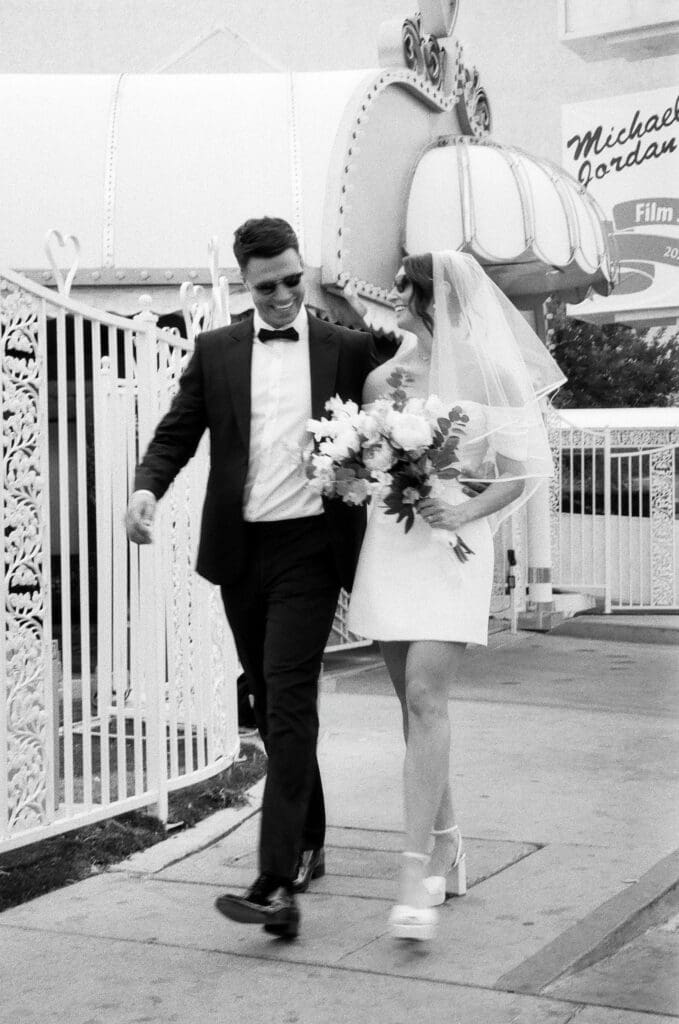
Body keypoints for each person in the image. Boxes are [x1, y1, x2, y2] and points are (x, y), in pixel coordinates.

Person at [126, 217, 382, 939]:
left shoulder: (348, 347)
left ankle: (274, 881)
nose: (280, 297)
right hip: (241, 553)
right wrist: (147, 487)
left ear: (304, 271)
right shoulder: (215, 351)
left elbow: (417, 367)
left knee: (291, 699)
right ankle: (310, 837)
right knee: (270, 703)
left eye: (291, 281)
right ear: (245, 283)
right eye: (266, 286)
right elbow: (178, 432)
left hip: (311, 549)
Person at [346, 250, 565, 941]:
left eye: (404, 292)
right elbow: (363, 461)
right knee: (410, 712)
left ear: (426, 297)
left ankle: (413, 874)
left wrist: (465, 512)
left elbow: (521, 472)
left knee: (424, 698)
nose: (395, 300)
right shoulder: (385, 375)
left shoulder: (491, 373)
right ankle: (447, 843)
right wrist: (359, 467)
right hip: (391, 545)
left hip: (451, 549)